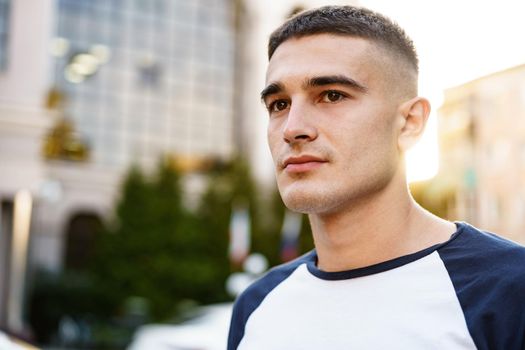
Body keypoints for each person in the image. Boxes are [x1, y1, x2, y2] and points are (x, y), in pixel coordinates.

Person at [227, 5, 525, 350]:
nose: (293, 129)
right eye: (279, 104)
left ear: (410, 122)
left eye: (332, 95)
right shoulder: (256, 305)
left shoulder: (509, 291)